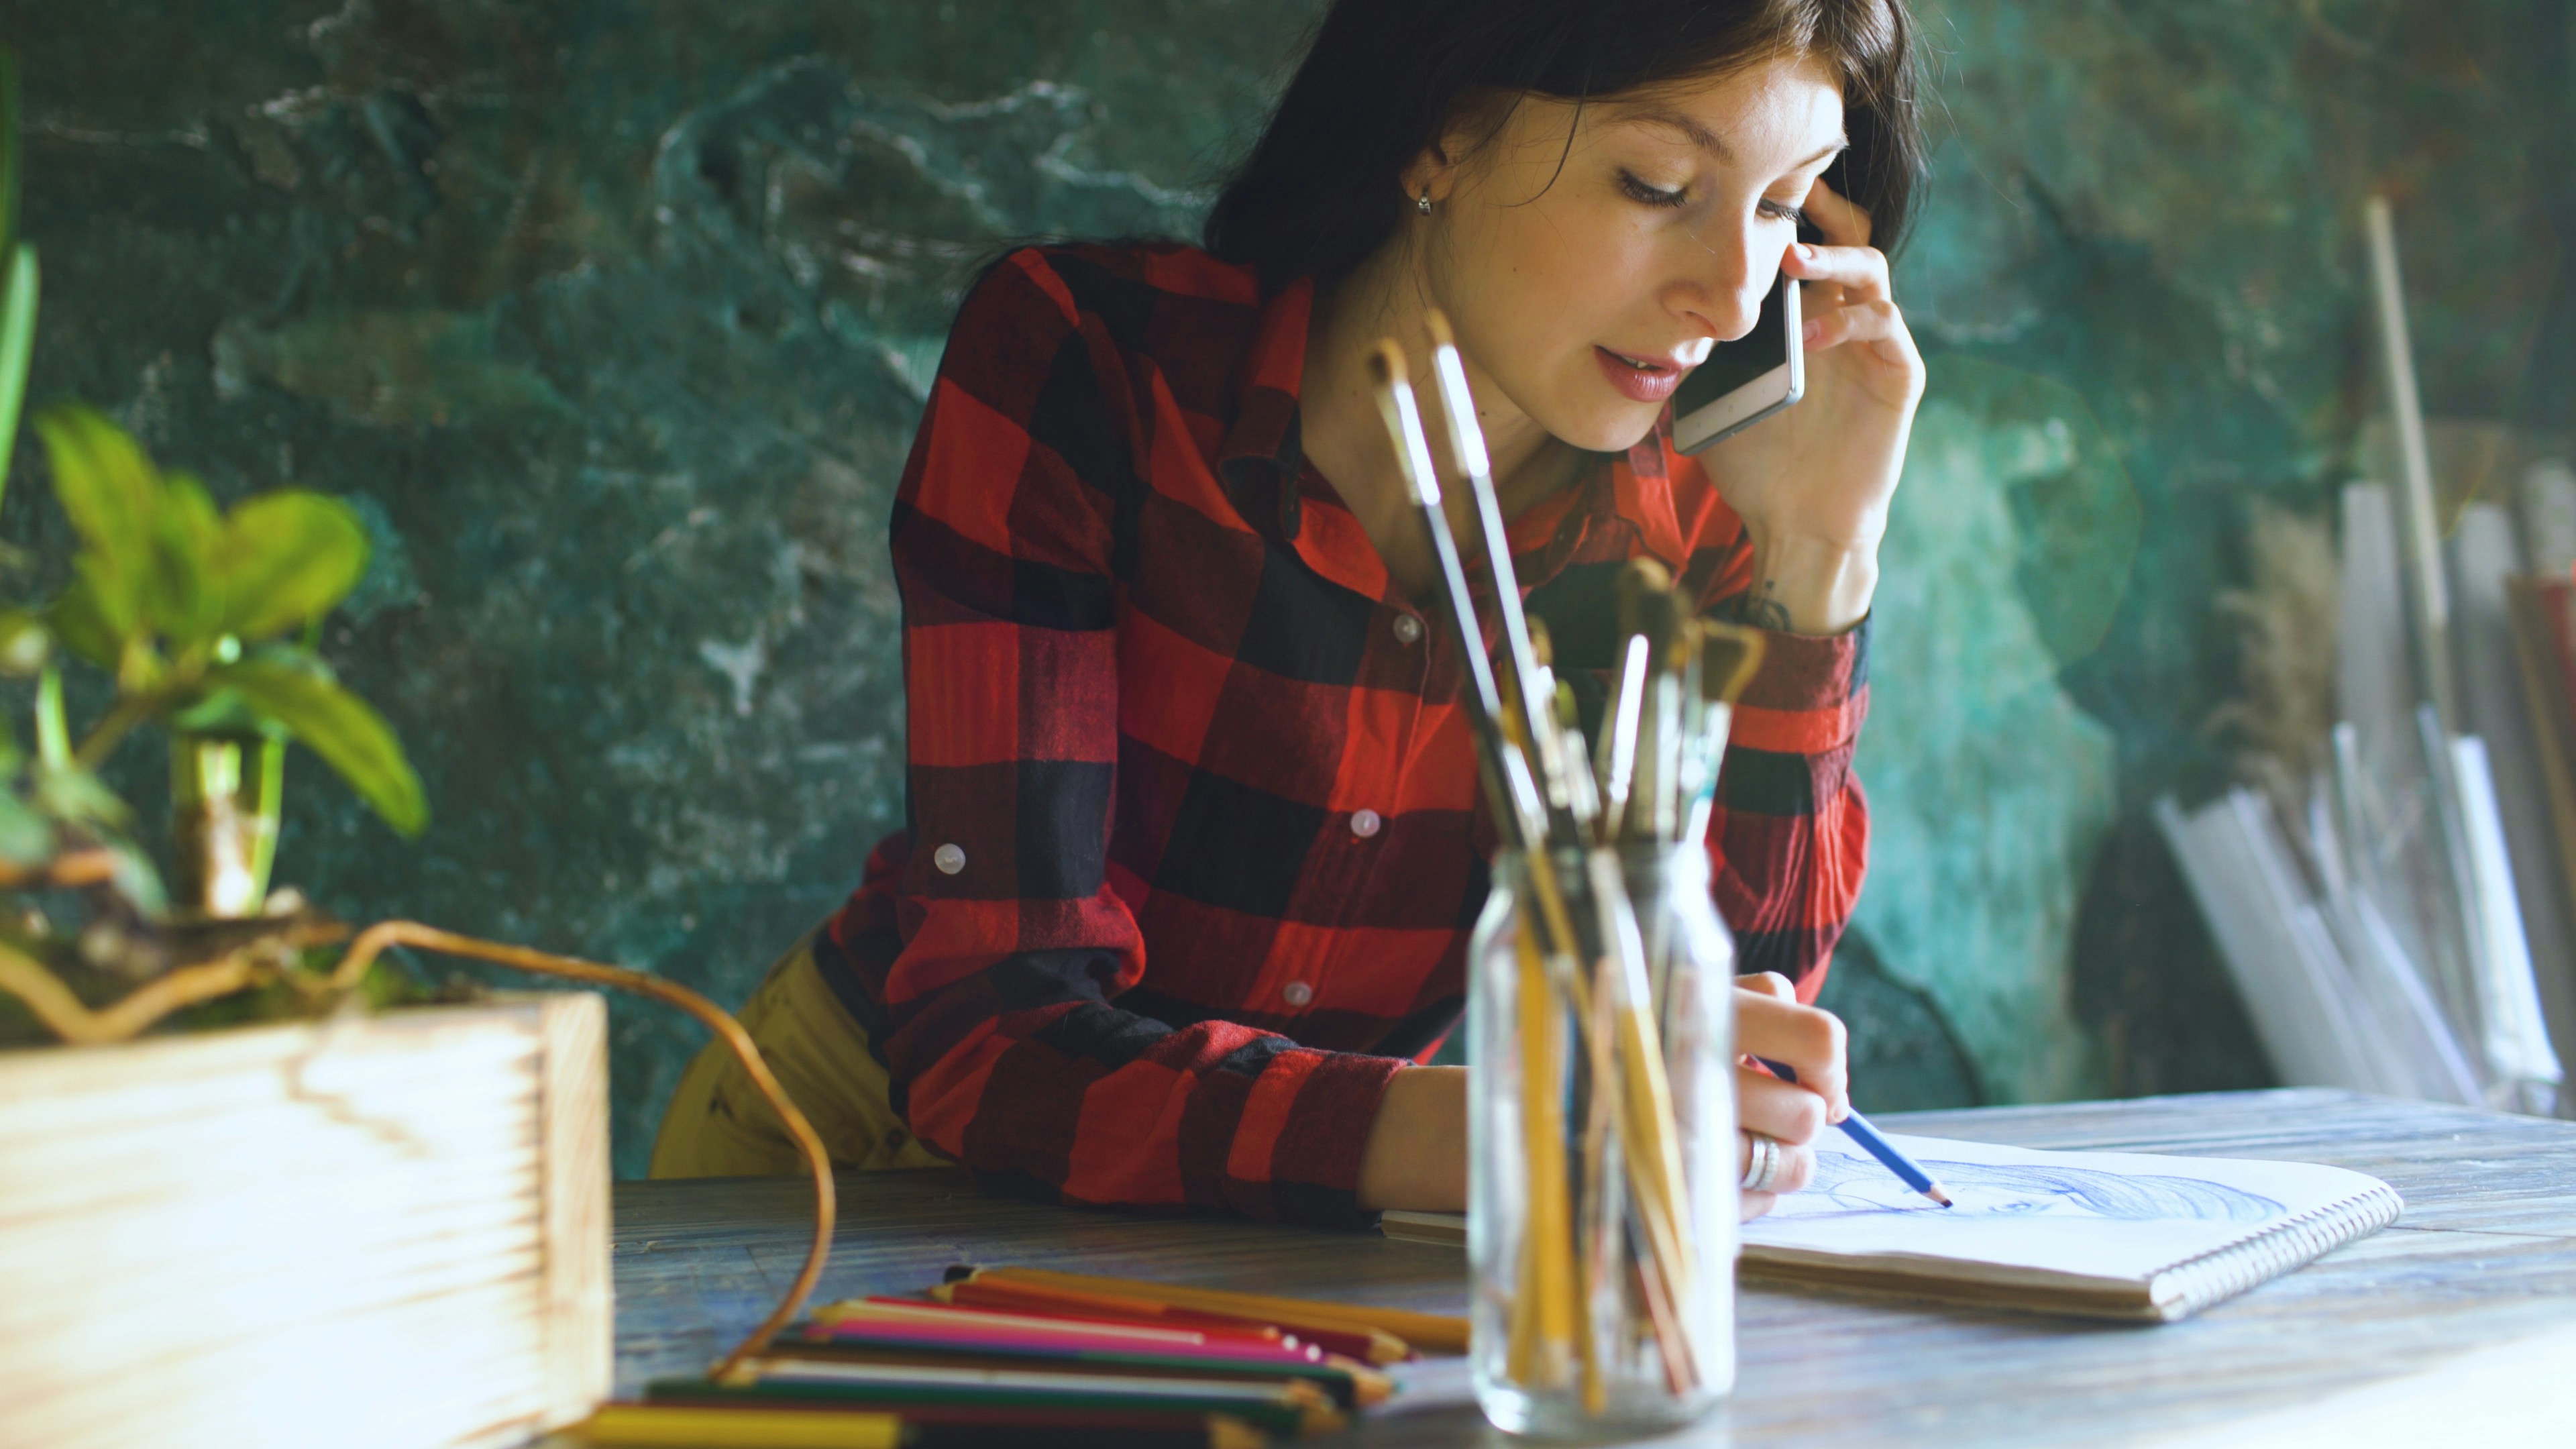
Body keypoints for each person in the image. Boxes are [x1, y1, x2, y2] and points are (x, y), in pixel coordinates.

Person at [652, 0, 1927, 1227]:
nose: (1730, 298)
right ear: (1442, 129)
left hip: (1295, 1211)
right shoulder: (1089, 363)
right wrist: (1490, 1134)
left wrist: (1820, 553)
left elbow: (1727, 1024)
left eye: (1776, 207)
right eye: (1657, 186)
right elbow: (1000, 1036)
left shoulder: (1701, 507)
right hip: (856, 1159)